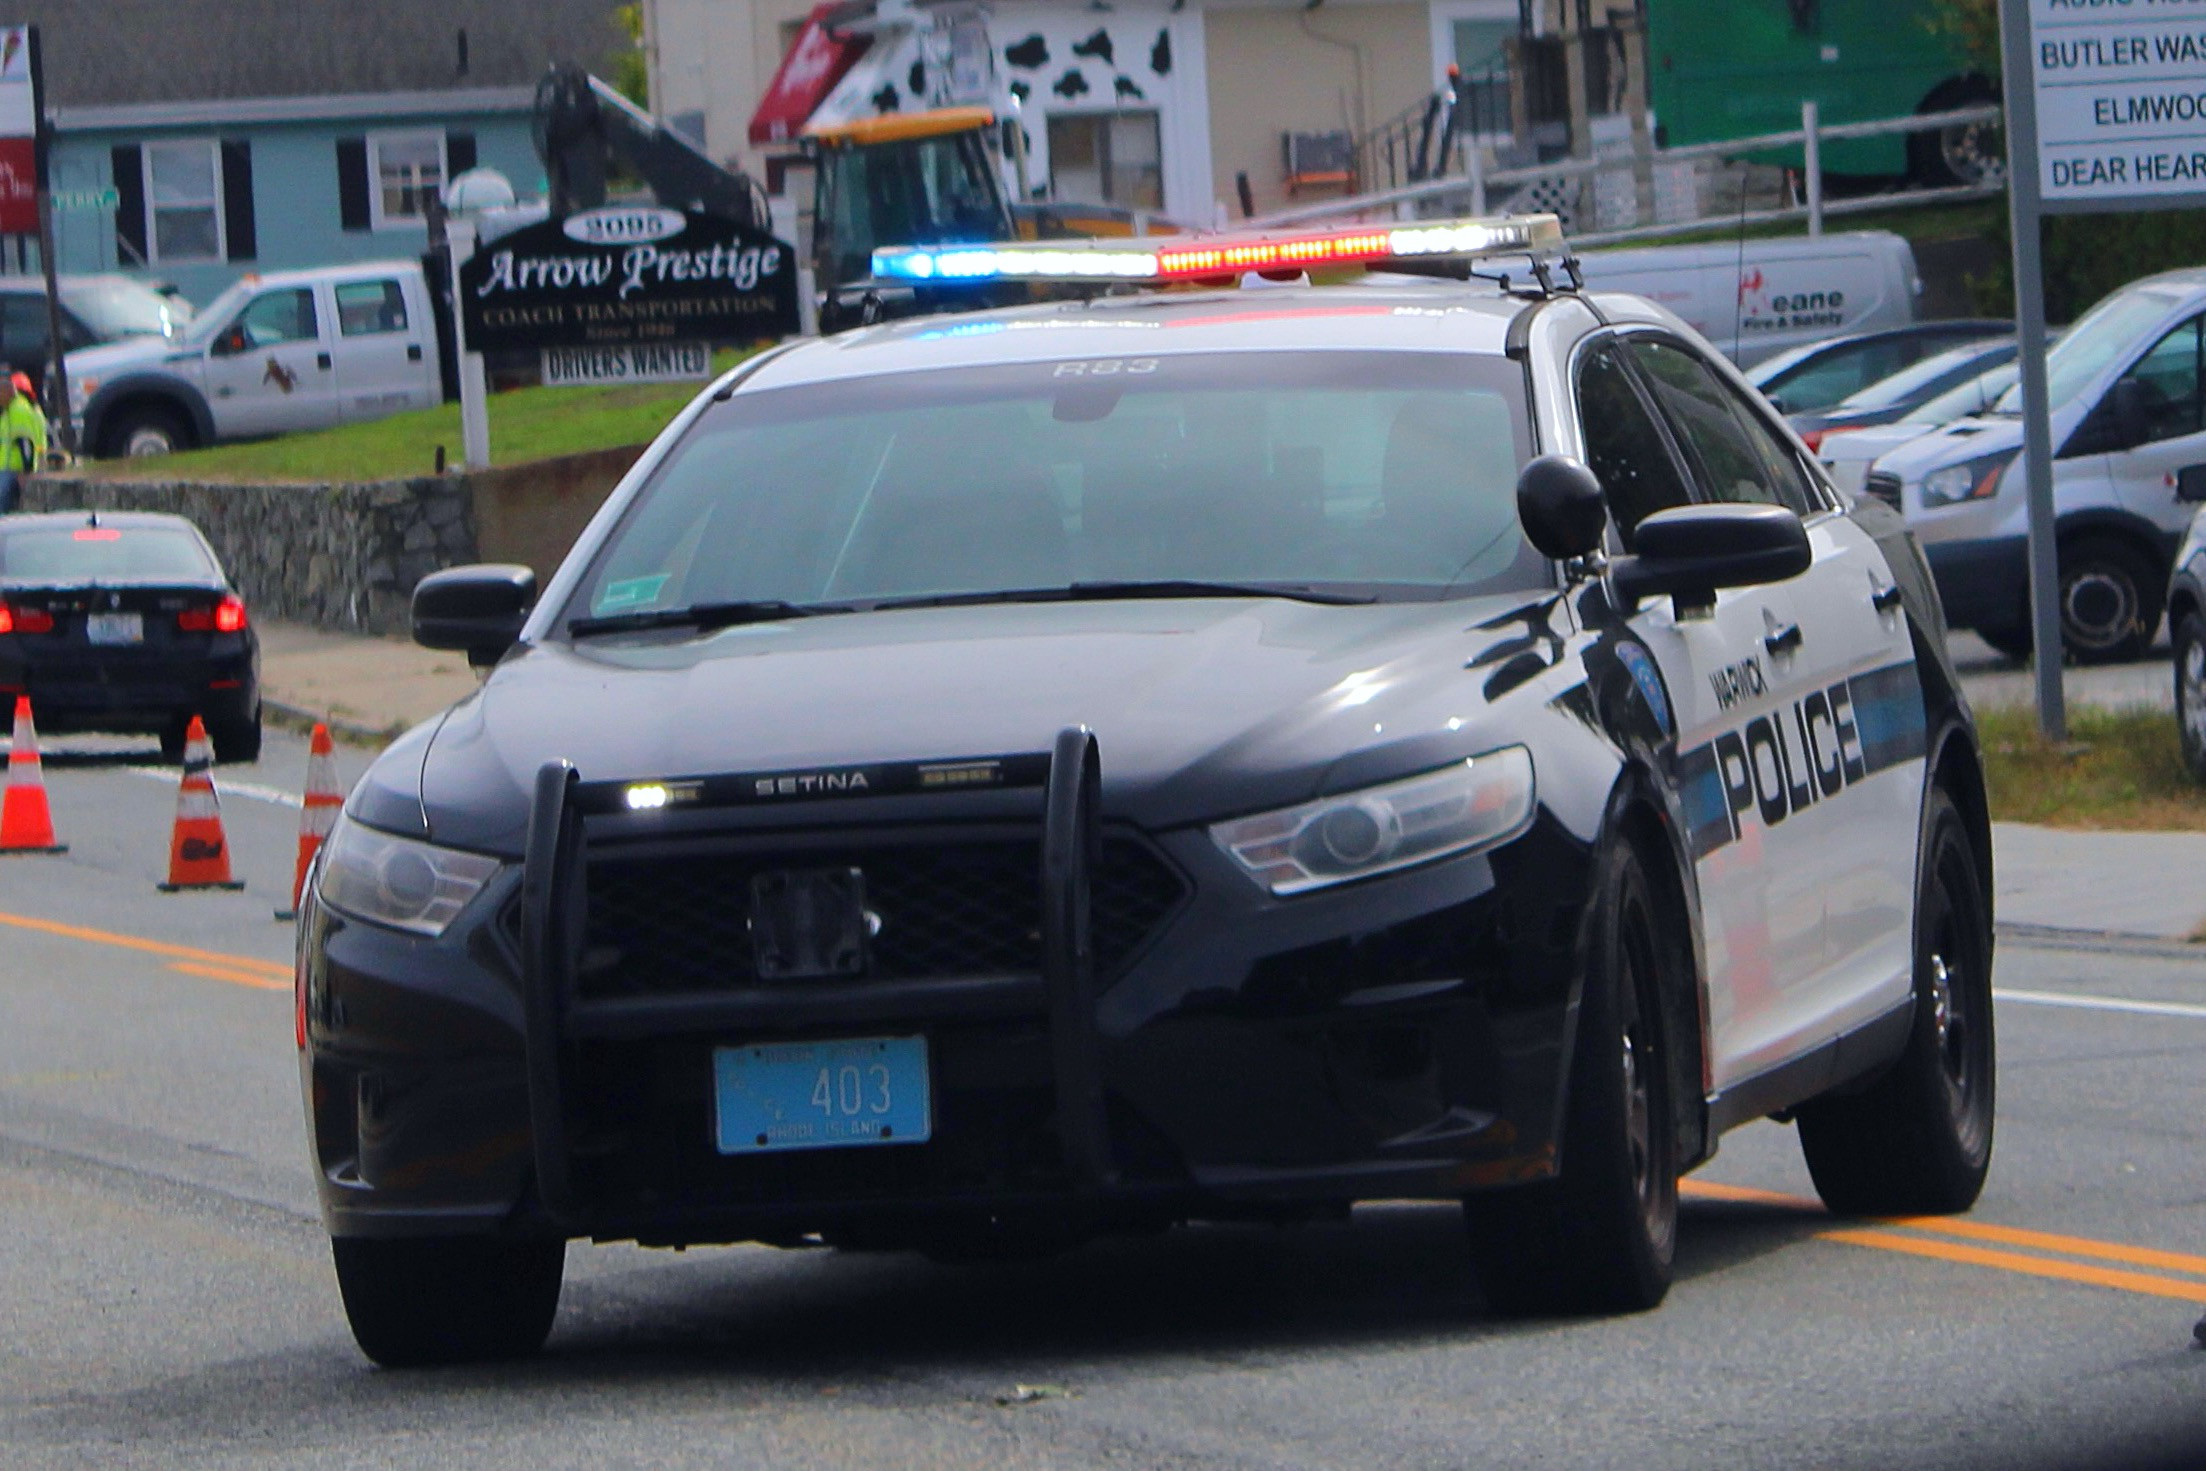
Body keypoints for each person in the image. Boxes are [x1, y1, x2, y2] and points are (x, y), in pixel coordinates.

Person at [0, 365, 47, 514]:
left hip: (14, 470)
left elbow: (26, 443)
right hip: (8, 468)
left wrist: (26, 472)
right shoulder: (10, 409)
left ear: (7, 391)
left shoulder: (18, 410)